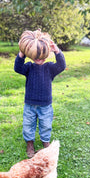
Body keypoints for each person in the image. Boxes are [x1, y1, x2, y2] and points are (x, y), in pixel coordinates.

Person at [14, 29, 66, 158]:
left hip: (45, 105)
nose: (39, 59)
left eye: (42, 55)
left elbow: (62, 66)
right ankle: (30, 143)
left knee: (46, 124)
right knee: (28, 124)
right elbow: (17, 68)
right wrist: (22, 52)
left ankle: (45, 142)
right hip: (30, 104)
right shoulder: (29, 67)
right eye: (36, 55)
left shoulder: (50, 68)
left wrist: (56, 50)